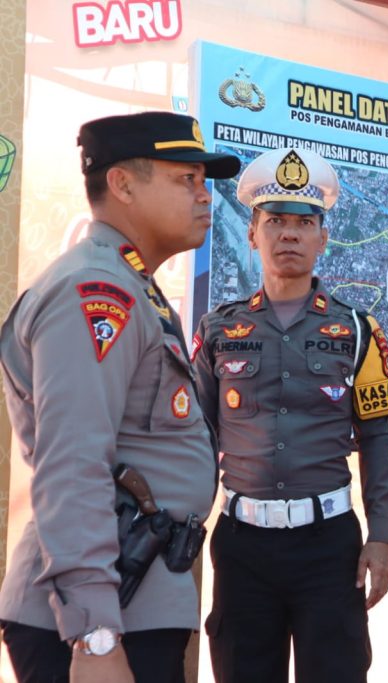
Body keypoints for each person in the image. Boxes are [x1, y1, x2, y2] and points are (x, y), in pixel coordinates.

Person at [0, 111, 240, 683]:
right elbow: (73, 462)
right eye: (186, 179)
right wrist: (95, 635)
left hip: (134, 594)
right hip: (99, 618)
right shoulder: (96, 291)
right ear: (123, 184)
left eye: (203, 181)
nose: (204, 195)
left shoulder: (130, 285)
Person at [193, 146, 388, 683]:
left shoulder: (359, 331)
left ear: (323, 238)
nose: (289, 234)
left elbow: (378, 441)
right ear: (252, 233)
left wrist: (381, 536)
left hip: (329, 548)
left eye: (304, 223)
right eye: (275, 221)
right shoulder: (218, 330)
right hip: (242, 546)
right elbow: (196, 438)